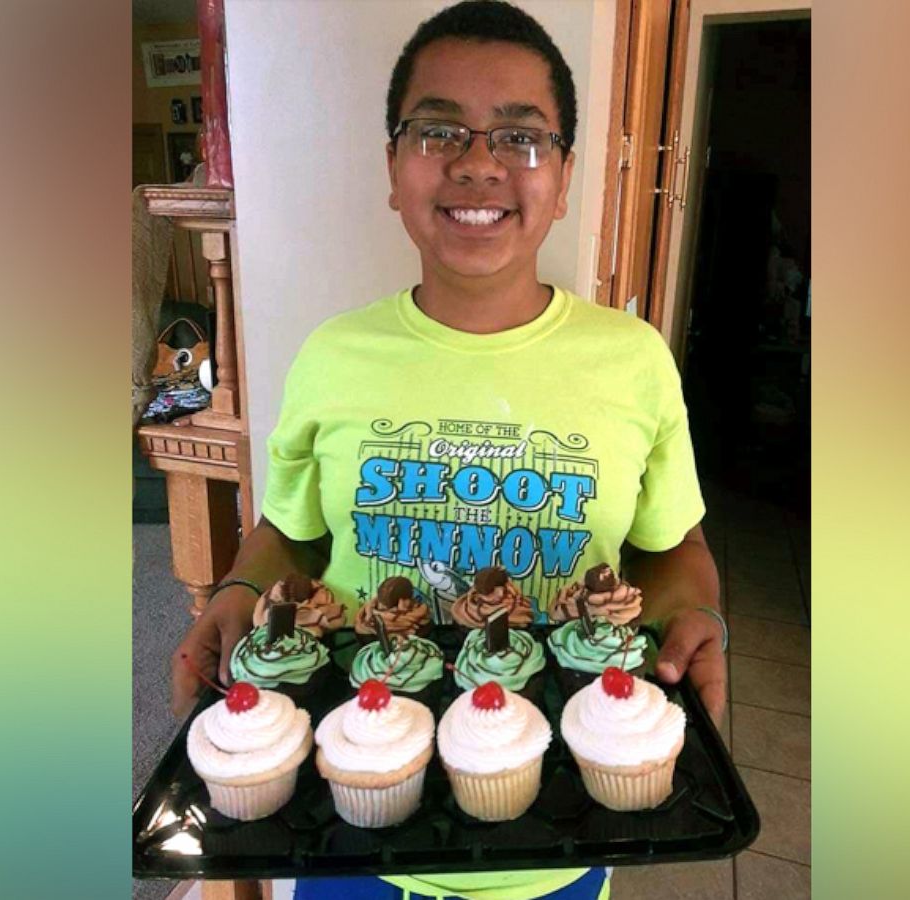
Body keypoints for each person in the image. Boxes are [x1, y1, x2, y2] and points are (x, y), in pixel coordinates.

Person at [170, 3, 726, 897]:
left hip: (553, 828)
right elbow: (289, 533)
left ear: (567, 174)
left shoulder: (634, 361)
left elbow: (674, 550)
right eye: (438, 131)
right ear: (393, 168)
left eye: (521, 136)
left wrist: (698, 622)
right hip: (352, 805)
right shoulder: (333, 356)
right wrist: (239, 589)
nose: (477, 161)